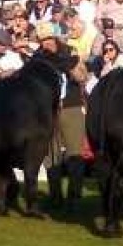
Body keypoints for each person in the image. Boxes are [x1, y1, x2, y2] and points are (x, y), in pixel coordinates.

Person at [32, 21, 87, 211]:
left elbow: (82, 77)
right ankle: (55, 196)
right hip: (48, 109)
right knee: (51, 155)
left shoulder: (69, 51)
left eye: (48, 39)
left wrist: (65, 64)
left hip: (71, 106)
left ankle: (75, 196)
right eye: (42, 40)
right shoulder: (37, 57)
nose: (45, 43)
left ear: (54, 37)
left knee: (75, 154)